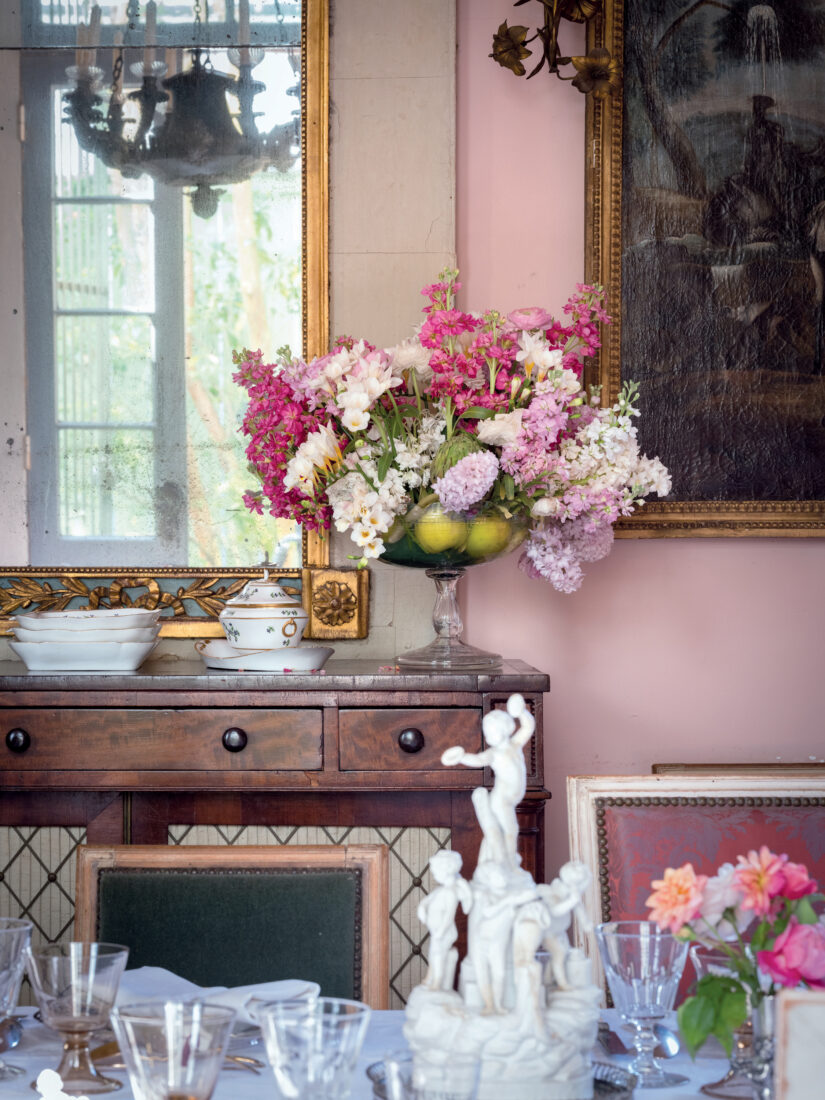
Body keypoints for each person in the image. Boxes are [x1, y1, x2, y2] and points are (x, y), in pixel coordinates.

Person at [441, 693, 535, 870]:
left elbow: (528, 726)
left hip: (510, 798)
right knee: (510, 829)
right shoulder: (493, 754)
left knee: (500, 832)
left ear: (504, 729)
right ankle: (509, 863)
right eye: (487, 733)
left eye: (491, 732)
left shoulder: (515, 744)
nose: (488, 736)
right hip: (501, 799)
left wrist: (521, 712)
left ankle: (497, 859)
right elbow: (478, 760)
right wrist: (461, 757)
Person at [416, 850, 473, 992]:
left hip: (444, 932)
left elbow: (449, 916)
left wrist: (441, 931)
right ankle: (430, 978)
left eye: (435, 872)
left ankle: (437, 982)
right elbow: (426, 902)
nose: (434, 876)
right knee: (433, 953)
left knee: (438, 955)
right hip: (436, 931)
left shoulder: (450, 892)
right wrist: (422, 909)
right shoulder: (442, 890)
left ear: (446, 870)